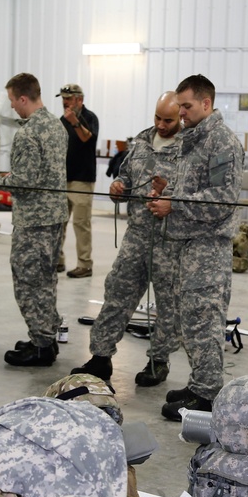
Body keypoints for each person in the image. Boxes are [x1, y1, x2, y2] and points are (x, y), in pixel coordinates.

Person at [147, 75, 244, 420]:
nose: (180, 112)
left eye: (186, 106)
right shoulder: (195, 139)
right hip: (188, 244)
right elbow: (198, 187)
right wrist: (169, 186)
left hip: (208, 247)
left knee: (205, 321)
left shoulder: (221, 143)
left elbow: (222, 200)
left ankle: (209, 394)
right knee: (191, 320)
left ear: (206, 104)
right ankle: (199, 382)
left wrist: (175, 202)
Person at [72, 91, 183, 385]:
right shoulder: (142, 141)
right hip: (137, 235)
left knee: (168, 305)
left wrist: (171, 193)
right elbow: (125, 178)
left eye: (168, 120)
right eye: (157, 117)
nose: (161, 124)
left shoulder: (190, 148)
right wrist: (118, 188)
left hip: (169, 240)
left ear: (181, 117)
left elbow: (193, 195)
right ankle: (100, 357)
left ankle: (158, 362)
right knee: (117, 293)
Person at [0, 73, 66, 366]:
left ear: (24, 98)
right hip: (54, 216)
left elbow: (25, 179)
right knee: (46, 279)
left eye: (14, 101)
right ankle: (46, 337)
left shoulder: (29, 133)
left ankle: (41, 345)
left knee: (28, 281)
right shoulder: (57, 126)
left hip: (33, 220)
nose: (13, 107)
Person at [56, 84, 99, 278]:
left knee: (81, 223)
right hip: (62, 178)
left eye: (69, 98)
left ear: (79, 100)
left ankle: (85, 264)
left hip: (82, 179)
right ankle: (57, 259)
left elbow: (87, 139)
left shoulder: (90, 118)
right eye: (63, 98)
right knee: (58, 222)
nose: (65, 101)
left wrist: (74, 122)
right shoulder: (61, 121)